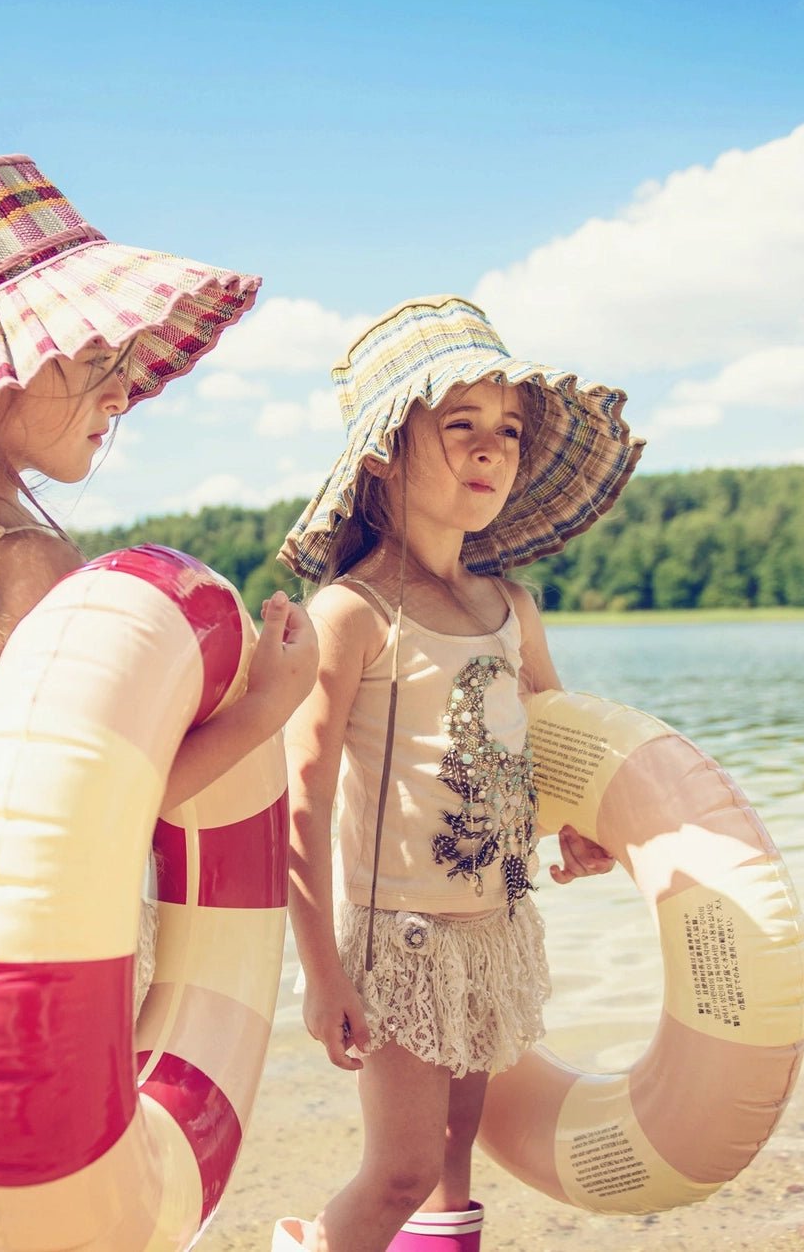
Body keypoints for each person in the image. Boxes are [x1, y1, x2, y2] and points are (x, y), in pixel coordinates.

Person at [0, 154, 317, 1252]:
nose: (120, 392)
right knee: (64, 1218)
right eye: (93, 362)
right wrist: (268, 704)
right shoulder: (31, 564)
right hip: (35, 932)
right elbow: (102, 799)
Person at [274, 295, 644, 1252]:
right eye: (461, 427)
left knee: (453, 1152)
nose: (491, 450)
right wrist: (320, 971)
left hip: (497, 924)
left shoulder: (509, 606)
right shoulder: (351, 614)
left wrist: (578, 825)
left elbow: (554, 745)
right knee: (399, 1167)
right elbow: (300, 803)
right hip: (399, 938)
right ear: (386, 453)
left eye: (509, 432)